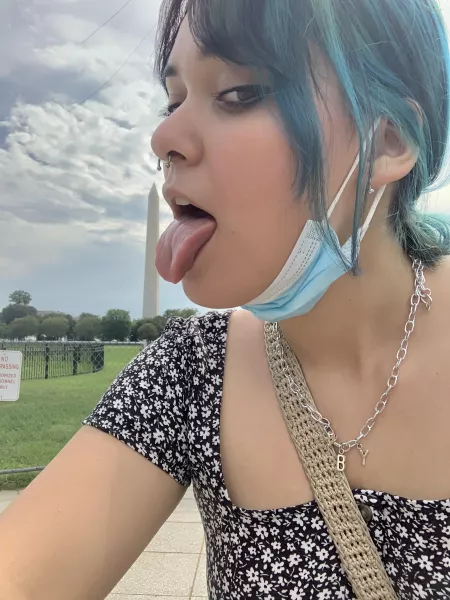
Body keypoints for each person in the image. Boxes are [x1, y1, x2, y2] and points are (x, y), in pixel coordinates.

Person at [1, 0, 450, 597]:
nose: (162, 138)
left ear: (387, 140)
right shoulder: (189, 374)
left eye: (239, 93)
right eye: (173, 101)